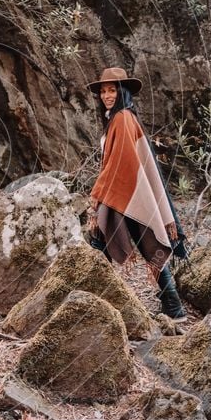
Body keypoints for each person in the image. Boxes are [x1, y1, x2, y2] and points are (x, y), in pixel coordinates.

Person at [85, 67, 188, 322]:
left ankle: (97, 302)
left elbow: (120, 162)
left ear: (123, 92)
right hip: (127, 190)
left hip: (125, 190)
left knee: (102, 239)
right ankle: (172, 306)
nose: (107, 95)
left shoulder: (122, 118)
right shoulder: (122, 117)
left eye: (112, 90)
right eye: (103, 91)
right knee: (142, 243)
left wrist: (97, 194)